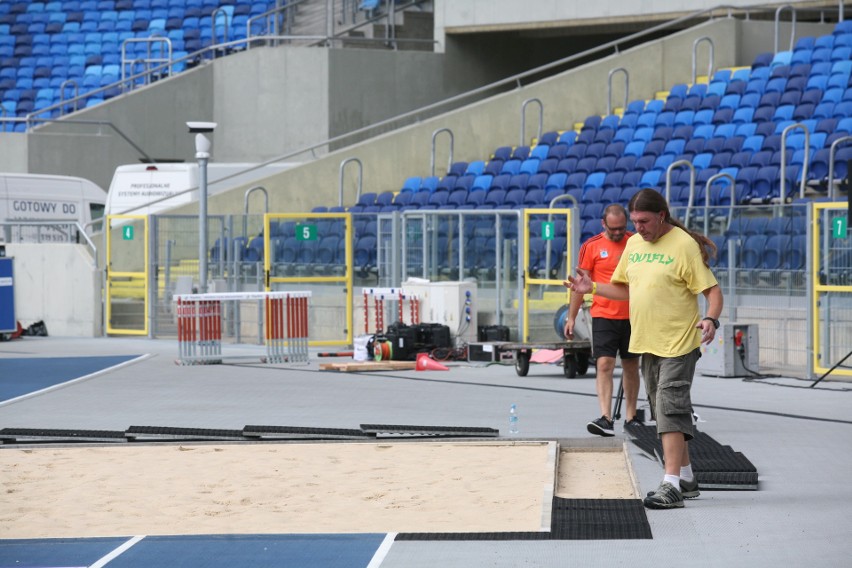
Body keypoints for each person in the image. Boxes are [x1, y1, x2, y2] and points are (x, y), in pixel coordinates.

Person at [564, 189, 723, 510]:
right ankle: (688, 478)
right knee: (666, 411)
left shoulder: (683, 245)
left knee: (669, 408)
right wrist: (591, 287)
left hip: (679, 342)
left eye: (644, 221)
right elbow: (624, 289)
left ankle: (671, 485)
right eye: (634, 221)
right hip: (646, 342)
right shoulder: (634, 246)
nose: (638, 228)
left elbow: (713, 291)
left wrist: (711, 319)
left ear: (661, 216)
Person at [564, 204, 641, 437]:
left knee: (630, 365)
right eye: (613, 228)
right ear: (603, 224)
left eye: (622, 228)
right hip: (603, 314)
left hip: (632, 314)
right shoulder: (591, 246)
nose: (618, 233)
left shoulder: (636, 242)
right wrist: (571, 316)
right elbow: (579, 286)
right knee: (604, 364)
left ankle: (631, 416)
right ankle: (606, 417)